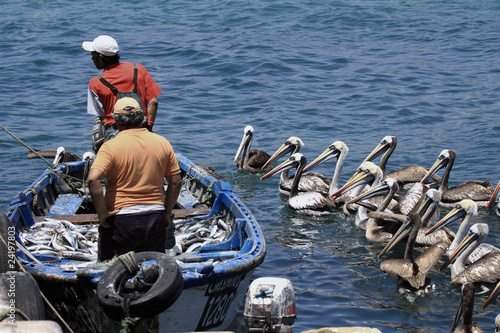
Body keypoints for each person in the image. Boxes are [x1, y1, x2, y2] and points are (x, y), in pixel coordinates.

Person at [87, 97, 181, 261]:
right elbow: (176, 182)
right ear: (142, 117)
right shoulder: (163, 143)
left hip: (121, 221)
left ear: (116, 121)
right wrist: (167, 212)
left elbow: (93, 180)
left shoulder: (109, 146)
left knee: (111, 270)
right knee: (153, 269)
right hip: (155, 218)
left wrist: (102, 213)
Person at [82, 35, 162, 146]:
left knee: (97, 125)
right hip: (142, 128)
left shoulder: (95, 83)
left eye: (92, 55)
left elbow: (104, 120)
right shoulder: (138, 69)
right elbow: (154, 102)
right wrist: (148, 126)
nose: (91, 59)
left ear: (100, 57)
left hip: (116, 134)